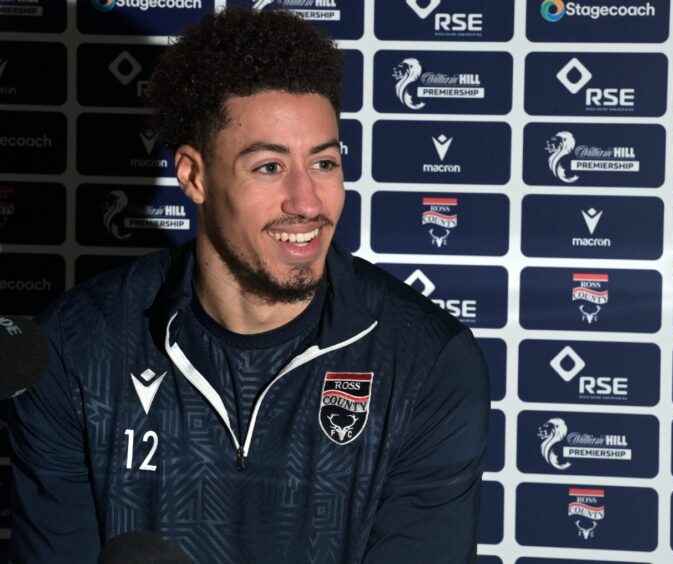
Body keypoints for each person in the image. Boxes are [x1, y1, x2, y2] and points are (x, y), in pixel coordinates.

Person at [9, 8, 490, 563]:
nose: (307, 202)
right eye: (269, 167)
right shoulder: (74, 351)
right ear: (194, 175)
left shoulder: (427, 363)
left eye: (325, 163)